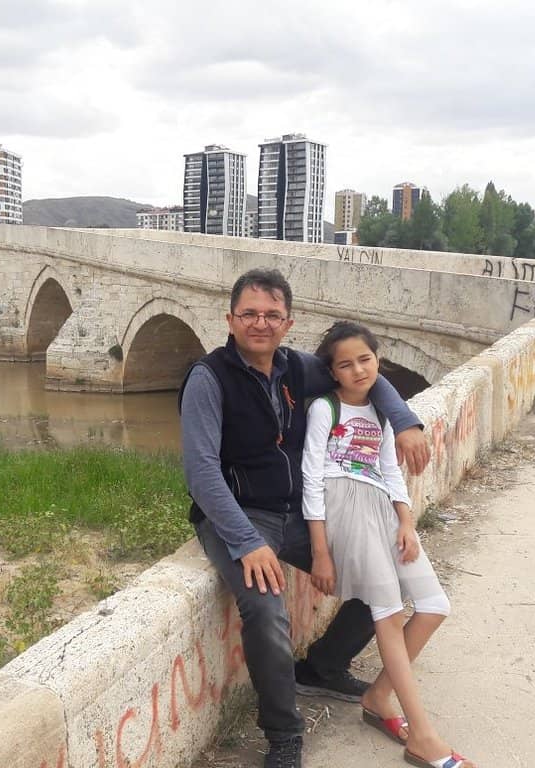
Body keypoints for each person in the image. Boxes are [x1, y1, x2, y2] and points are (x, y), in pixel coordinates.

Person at [178, 269, 430, 768]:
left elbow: (364, 373)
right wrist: (247, 541)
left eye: (272, 315)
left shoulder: (301, 369)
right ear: (230, 319)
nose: (260, 323)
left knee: (390, 573)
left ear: (288, 323)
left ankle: (324, 666)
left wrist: (404, 422)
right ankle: (284, 736)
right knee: (267, 612)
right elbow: (201, 473)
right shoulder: (209, 378)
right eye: (249, 314)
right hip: (240, 516)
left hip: (300, 512)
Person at [301, 321, 475, 768]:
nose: (358, 370)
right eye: (346, 364)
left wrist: (406, 521)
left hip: (382, 509)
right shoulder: (325, 408)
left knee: (435, 604)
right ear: (333, 372)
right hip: (344, 508)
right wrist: (320, 550)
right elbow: (312, 479)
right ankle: (423, 736)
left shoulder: (382, 413)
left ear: (378, 361)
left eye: (365, 359)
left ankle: (379, 695)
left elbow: (390, 471)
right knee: (389, 614)